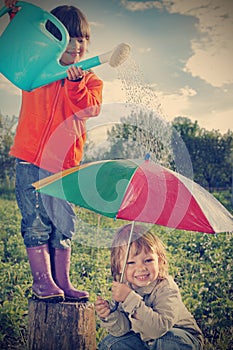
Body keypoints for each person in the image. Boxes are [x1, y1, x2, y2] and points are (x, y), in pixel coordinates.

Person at [5, 1, 103, 302]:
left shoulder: (90, 79)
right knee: (35, 220)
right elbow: (21, 46)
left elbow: (90, 109)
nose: (77, 45)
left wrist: (75, 85)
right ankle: (42, 282)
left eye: (83, 38)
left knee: (63, 223)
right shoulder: (36, 70)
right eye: (69, 38)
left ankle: (63, 281)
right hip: (30, 159)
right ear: (51, 40)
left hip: (64, 164)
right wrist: (16, 18)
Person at [95, 224, 204, 350]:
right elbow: (122, 330)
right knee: (112, 343)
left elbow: (158, 330)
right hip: (144, 339)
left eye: (148, 260)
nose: (141, 268)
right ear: (119, 267)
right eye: (131, 262)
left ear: (160, 260)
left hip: (179, 338)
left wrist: (129, 298)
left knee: (165, 341)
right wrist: (110, 314)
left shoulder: (166, 287)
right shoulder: (123, 287)